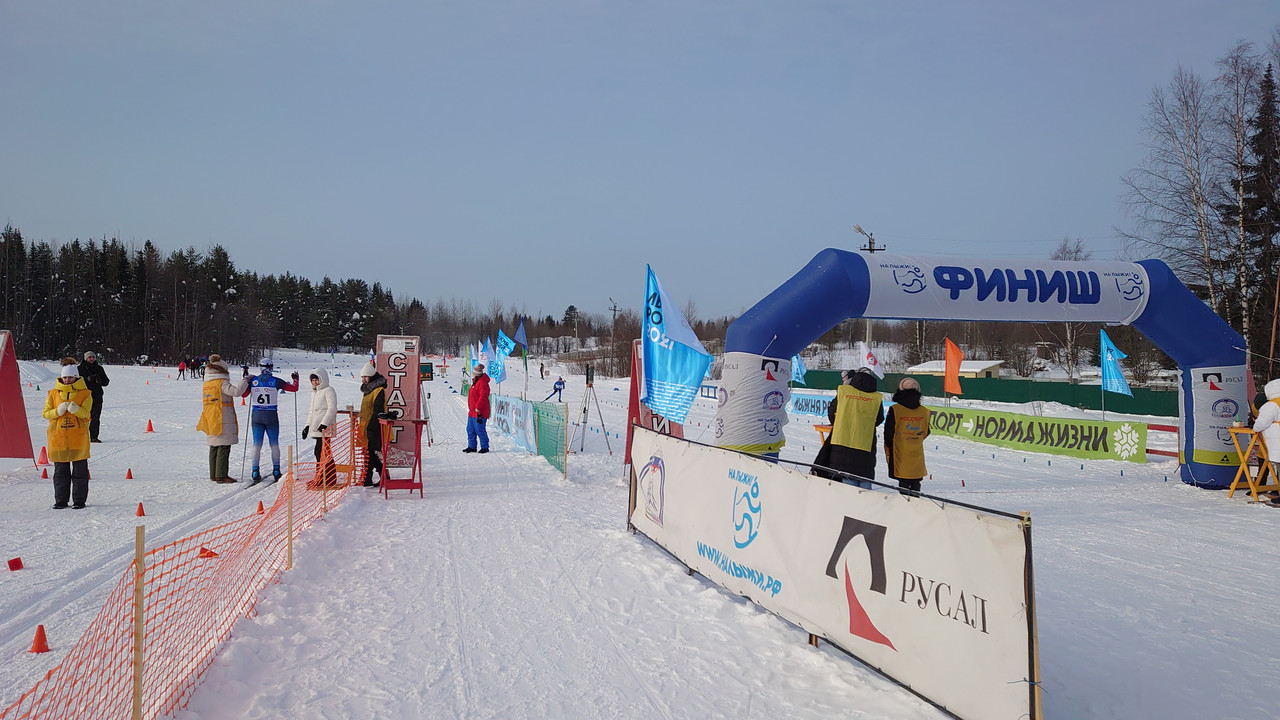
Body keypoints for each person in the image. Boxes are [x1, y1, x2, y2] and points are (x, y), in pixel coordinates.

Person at [43, 358, 93, 509]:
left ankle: (79, 500)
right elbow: (46, 414)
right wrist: (57, 411)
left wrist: (76, 410)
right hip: (58, 439)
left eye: (70, 377)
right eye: (65, 377)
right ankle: (61, 500)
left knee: (80, 473)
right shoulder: (53, 394)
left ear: (76, 377)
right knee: (60, 473)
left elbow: (87, 414)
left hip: (78, 439)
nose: (67, 380)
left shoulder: (85, 394)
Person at [825, 368, 884, 489]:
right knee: (864, 484)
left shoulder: (843, 391)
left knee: (848, 487)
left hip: (842, 441)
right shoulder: (875, 397)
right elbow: (879, 418)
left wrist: (841, 424)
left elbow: (832, 411)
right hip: (865, 443)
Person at [196, 354, 251, 483]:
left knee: (214, 445)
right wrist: (245, 381)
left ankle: (213, 474)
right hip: (222, 415)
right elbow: (236, 392)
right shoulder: (221, 382)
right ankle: (221, 475)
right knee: (224, 446)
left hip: (209, 415)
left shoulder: (207, 383)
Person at [242, 358, 299, 484]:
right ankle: (276, 471)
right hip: (271, 414)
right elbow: (294, 388)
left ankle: (255, 471)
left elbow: (244, 395)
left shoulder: (254, 380)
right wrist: (295, 378)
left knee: (257, 443)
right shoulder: (275, 381)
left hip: (257, 414)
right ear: (271, 368)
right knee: (274, 443)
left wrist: (246, 380)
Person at [884, 376, 931, 496]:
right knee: (916, 486)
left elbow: (888, 434)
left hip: (900, 453)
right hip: (917, 455)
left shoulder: (895, 409)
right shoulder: (924, 411)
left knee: (903, 486)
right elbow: (926, 432)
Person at [303, 367, 339, 487]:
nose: (315, 382)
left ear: (322, 379)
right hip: (317, 429)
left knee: (323, 453)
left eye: (317, 379)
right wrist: (307, 426)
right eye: (313, 380)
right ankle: (321, 477)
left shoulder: (328, 390)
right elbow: (312, 412)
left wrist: (324, 423)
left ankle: (327, 478)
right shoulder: (315, 393)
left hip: (325, 429)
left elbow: (332, 408)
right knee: (319, 453)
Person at [358, 361, 389, 486]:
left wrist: (371, 427)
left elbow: (377, 410)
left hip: (374, 427)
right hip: (366, 427)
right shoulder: (369, 391)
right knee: (369, 453)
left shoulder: (378, 391)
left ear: (371, 376)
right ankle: (372, 478)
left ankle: (379, 477)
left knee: (371, 452)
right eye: (362, 377)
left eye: (365, 376)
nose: (363, 379)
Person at [1252, 379, 1280, 489]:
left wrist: (1255, 426)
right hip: (1270, 439)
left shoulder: (1270, 405)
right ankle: (1273, 488)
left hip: (1273, 439)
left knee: (1271, 461)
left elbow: (1261, 423)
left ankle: (1261, 485)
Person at [78, 350, 110, 443]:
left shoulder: (99, 368)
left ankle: (94, 437)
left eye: (93, 357)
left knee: (95, 417)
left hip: (97, 396)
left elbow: (106, 381)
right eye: (89, 357)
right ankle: (81, 436)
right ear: (85, 358)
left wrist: (100, 381)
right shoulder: (80, 369)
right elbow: (75, 381)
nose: (91, 359)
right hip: (83, 396)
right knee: (82, 417)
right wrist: (87, 379)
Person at [465, 363, 491, 453]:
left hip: (480, 411)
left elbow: (483, 396)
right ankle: (472, 446)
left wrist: (478, 407)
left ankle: (485, 446)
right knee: (470, 429)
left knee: (479, 429)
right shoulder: (475, 382)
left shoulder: (482, 383)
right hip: (472, 411)